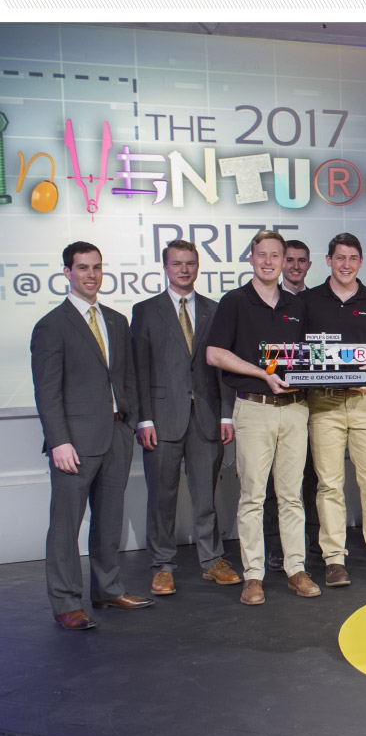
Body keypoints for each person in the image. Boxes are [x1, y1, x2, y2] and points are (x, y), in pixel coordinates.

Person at [32, 241, 154, 629]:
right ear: (67, 273)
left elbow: (127, 378)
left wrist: (131, 420)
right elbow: (47, 391)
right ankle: (66, 602)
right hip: (74, 443)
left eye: (97, 267)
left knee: (109, 519)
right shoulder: (52, 325)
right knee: (66, 525)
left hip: (116, 435)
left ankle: (107, 589)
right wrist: (58, 441)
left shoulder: (117, 321)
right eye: (82, 268)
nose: (91, 275)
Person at [205, 230, 321, 605]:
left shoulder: (297, 306)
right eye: (262, 255)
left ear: (286, 261)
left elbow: (310, 356)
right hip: (254, 408)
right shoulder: (235, 302)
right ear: (251, 259)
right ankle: (253, 575)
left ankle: (296, 570)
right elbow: (214, 354)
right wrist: (262, 374)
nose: (270, 261)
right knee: (253, 496)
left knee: (291, 497)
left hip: (295, 409)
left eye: (277, 256)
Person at [131, 239, 240, 596]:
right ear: (165, 267)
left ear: (198, 266)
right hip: (162, 419)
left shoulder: (214, 309)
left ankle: (212, 561)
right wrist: (143, 419)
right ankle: (162, 566)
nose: (184, 269)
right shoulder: (145, 311)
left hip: (207, 415)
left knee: (206, 496)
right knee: (161, 496)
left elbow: (223, 368)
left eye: (190, 263)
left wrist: (226, 413)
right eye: (177, 263)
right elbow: (139, 370)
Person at [301, 233, 366, 588]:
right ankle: (334, 559)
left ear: (361, 262)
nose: (346, 264)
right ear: (328, 260)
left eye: (353, 258)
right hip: (323, 404)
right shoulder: (308, 302)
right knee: (329, 484)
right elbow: (300, 356)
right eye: (340, 257)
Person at [264, 236, 318, 572]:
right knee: (276, 480)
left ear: (309, 265)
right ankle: (275, 546)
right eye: (291, 260)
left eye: (301, 260)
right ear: (282, 263)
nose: (295, 265)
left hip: (315, 402)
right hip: (278, 400)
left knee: (312, 477)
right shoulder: (270, 301)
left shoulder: (314, 302)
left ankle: (308, 544)